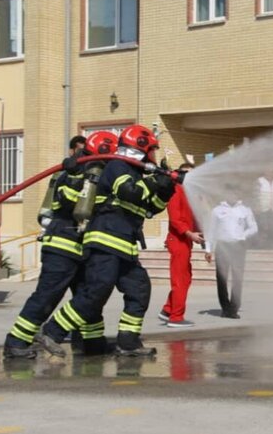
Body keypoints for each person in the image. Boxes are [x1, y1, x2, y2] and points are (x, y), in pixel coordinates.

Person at [34, 125, 176, 358]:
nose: (154, 156)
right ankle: (52, 331)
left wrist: (166, 189)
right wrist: (155, 181)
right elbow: (129, 192)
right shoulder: (117, 166)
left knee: (139, 289)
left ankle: (128, 342)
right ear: (140, 148)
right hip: (105, 240)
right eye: (153, 150)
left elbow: (150, 208)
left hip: (125, 246)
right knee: (96, 292)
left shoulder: (137, 173)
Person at [3, 132, 119, 359]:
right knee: (47, 295)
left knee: (87, 296)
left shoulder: (96, 172)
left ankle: (92, 343)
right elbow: (68, 200)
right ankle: (16, 342)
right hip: (62, 245)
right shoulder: (72, 172)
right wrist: (79, 175)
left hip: (82, 246)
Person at [158, 162, 203, 328]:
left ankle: (167, 309)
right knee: (180, 280)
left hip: (185, 241)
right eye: (185, 173)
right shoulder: (176, 191)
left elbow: (193, 219)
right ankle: (176, 317)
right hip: (178, 240)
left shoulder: (189, 193)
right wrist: (190, 234)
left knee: (186, 277)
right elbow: (175, 219)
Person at [204, 184, 257, 319]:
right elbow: (211, 231)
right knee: (221, 278)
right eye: (230, 193)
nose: (232, 196)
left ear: (238, 195)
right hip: (222, 246)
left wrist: (243, 235)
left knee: (237, 277)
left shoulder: (245, 210)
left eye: (235, 193)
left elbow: (253, 227)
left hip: (238, 246)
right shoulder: (217, 211)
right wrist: (208, 249)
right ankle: (225, 307)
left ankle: (234, 307)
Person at [254, 169, 273, 248]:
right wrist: (257, 206)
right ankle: (261, 247)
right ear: (265, 172)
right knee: (263, 227)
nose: (270, 173)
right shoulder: (259, 181)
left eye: (272, 171)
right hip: (262, 208)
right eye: (268, 171)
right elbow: (255, 194)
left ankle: (272, 246)